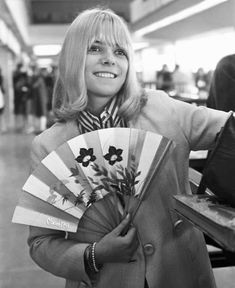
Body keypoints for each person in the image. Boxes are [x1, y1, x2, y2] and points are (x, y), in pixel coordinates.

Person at [27, 8, 229, 288]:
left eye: (120, 51)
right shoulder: (48, 145)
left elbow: (228, 129)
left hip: (181, 272)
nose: (110, 59)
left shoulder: (164, 109)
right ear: (73, 58)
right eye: (95, 48)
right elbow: (41, 243)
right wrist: (95, 255)